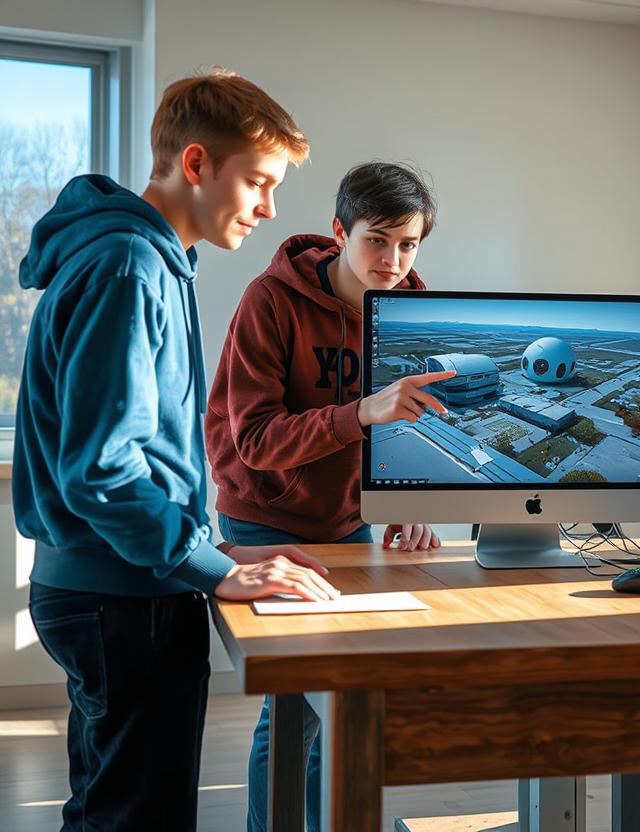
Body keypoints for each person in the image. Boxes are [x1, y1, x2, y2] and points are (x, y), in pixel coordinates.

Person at [13, 69, 336, 831]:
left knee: (108, 808)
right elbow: (103, 468)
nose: (269, 208)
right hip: (121, 599)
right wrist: (211, 568)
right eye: (257, 182)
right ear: (196, 165)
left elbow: (137, 453)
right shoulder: (129, 266)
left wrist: (206, 544)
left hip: (115, 587)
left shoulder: (144, 260)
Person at [206, 160, 453, 832]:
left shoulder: (409, 307)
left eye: (408, 244)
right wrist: (360, 414)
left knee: (338, 699)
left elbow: (407, 417)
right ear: (340, 231)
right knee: (292, 704)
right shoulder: (271, 300)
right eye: (378, 240)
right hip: (262, 519)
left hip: (347, 521)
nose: (393, 260)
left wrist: (407, 500)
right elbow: (253, 440)